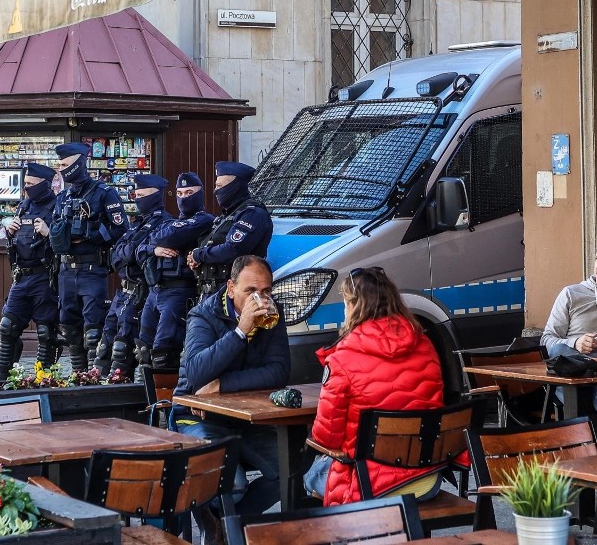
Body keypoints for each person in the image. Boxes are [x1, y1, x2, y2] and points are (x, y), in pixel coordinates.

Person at [304, 267, 451, 505]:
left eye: (345, 304)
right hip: (427, 479)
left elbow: (327, 439)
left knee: (310, 476)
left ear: (353, 306)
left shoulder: (342, 358)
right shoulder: (424, 343)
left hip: (369, 484)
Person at [171, 255, 290, 535]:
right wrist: (240, 330)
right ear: (230, 288)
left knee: (292, 471)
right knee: (231, 483)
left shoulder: (273, 315)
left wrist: (222, 384)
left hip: (248, 420)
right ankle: (223, 529)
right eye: (250, 291)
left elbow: (278, 373)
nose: (260, 298)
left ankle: (228, 530)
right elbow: (198, 373)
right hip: (198, 416)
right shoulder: (204, 315)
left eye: (266, 291)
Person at [50, 142, 128, 372]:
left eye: (65, 164)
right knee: (69, 328)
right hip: (66, 270)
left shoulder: (104, 193)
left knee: (93, 330)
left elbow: (120, 230)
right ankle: (78, 375)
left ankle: (95, 377)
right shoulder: (62, 196)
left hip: (92, 269)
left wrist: (89, 233)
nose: (61, 169)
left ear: (77, 164)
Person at [92, 174, 173, 379]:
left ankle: (123, 394)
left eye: (142, 195)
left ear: (155, 196)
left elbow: (132, 253)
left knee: (124, 349)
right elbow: (117, 254)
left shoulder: (164, 223)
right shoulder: (138, 223)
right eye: (136, 195)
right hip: (123, 293)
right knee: (103, 347)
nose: (138, 199)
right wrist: (130, 253)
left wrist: (130, 253)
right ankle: (96, 388)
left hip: (142, 293)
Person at [135, 173, 215, 371]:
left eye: (189, 192)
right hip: (155, 291)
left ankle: (167, 398)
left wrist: (156, 241)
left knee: (164, 351)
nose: (184, 197)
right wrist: (154, 249)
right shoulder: (168, 222)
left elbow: (170, 236)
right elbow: (140, 247)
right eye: (180, 193)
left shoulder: (204, 220)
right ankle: (146, 397)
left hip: (179, 291)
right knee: (143, 349)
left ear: (200, 194)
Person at [0, 162, 59, 381]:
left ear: (45, 184)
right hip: (21, 277)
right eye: (25, 184)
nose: (27, 188)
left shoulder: (58, 206)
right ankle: (3, 379)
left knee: (46, 332)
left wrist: (49, 233)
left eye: (31, 184)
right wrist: (10, 231)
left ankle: (43, 380)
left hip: (45, 276)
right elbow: (15, 242)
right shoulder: (24, 206)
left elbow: (66, 244)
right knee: (7, 327)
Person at [541, 239, 597, 427]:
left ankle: (593, 447)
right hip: (575, 375)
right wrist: (576, 342)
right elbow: (547, 339)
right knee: (561, 350)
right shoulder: (572, 294)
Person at [187, 161, 272, 300]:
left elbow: (232, 250)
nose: (215, 191)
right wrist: (195, 256)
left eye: (220, 186)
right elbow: (208, 243)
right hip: (211, 291)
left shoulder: (252, 214)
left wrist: (199, 255)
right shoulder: (227, 216)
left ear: (235, 187)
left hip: (235, 293)